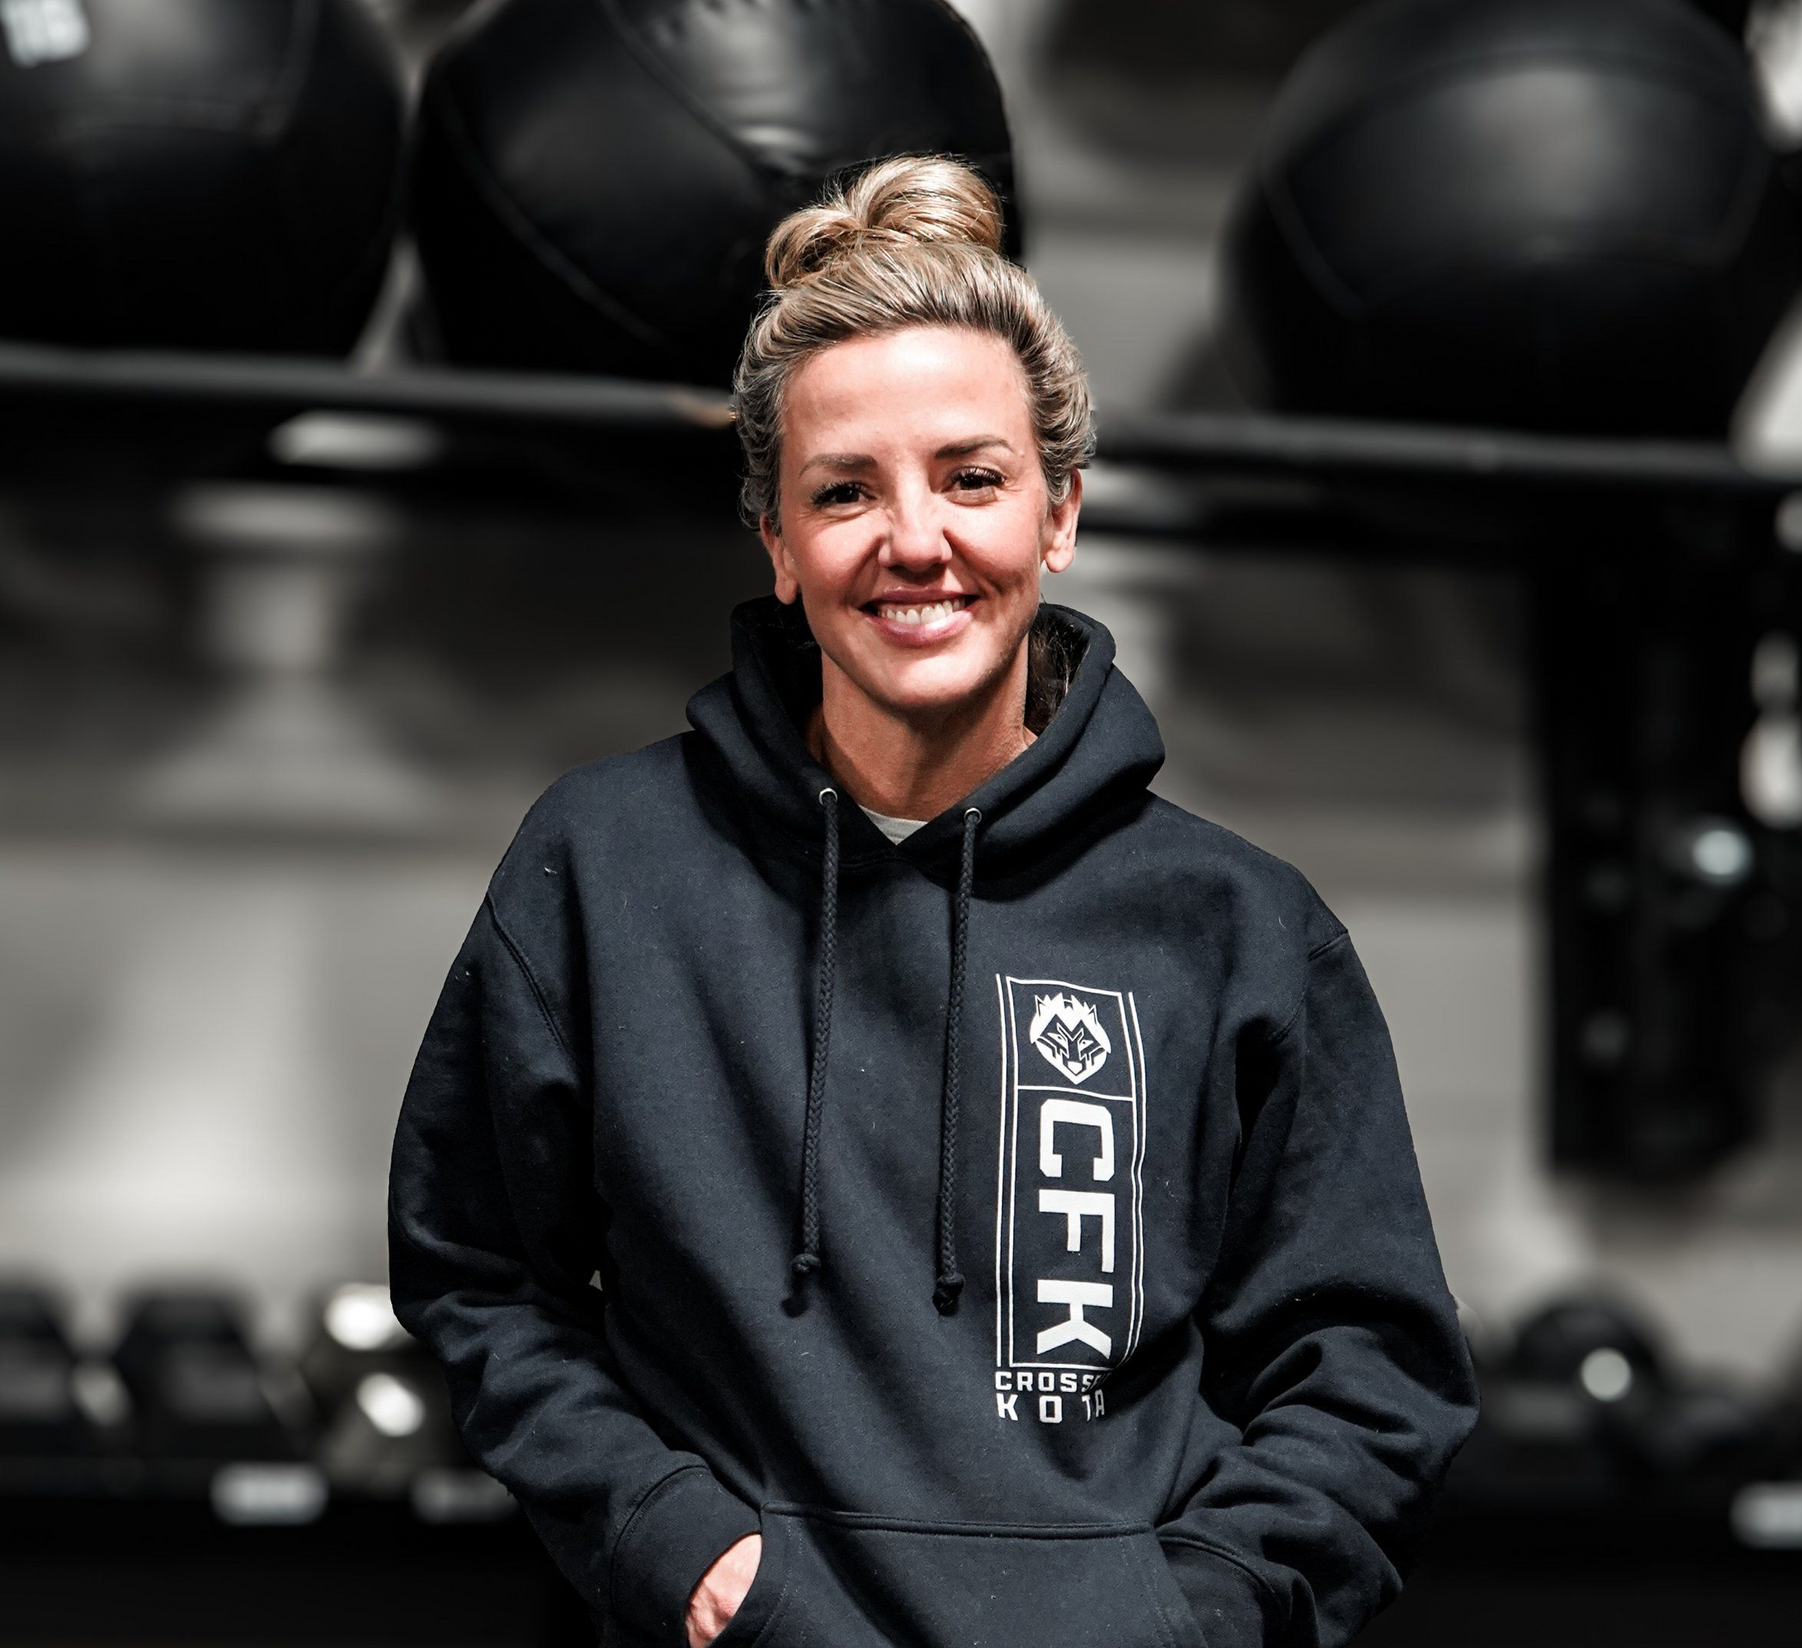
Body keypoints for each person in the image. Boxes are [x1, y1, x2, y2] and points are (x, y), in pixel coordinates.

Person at [387, 154, 1479, 1648]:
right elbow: (478, 1274)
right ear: (778, 544)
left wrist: (1197, 1615)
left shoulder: (1239, 929)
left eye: (973, 477)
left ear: (1061, 515)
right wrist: (674, 1540)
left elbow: (1370, 1364)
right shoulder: (604, 866)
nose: (917, 541)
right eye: (846, 491)